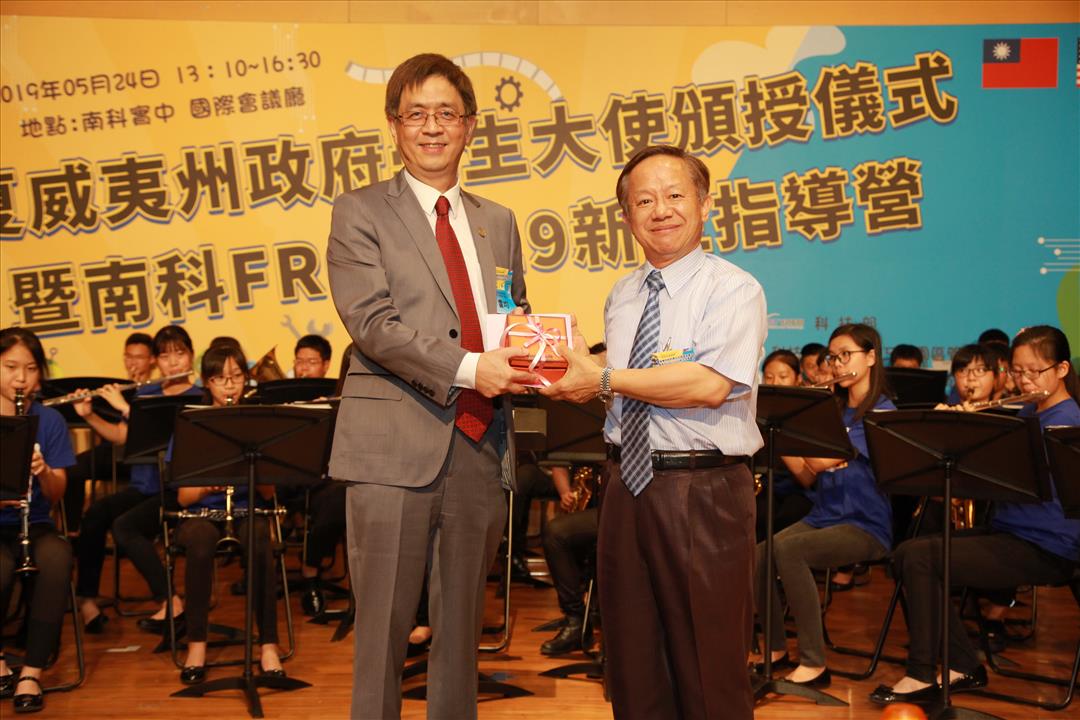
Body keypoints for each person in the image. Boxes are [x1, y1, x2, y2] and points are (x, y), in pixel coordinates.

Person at [325, 52, 534, 720]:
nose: (432, 127)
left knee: (461, 637)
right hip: (391, 450)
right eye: (416, 114)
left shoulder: (499, 220)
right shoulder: (359, 211)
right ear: (394, 125)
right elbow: (372, 325)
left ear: (470, 125)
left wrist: (540, 349)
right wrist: (472, 368)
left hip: (479, 446)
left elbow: (510, 314)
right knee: (382, 635)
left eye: (447, 113)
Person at [540, 144, 765, 720]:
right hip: (625, 483)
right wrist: (568, 370)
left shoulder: (733, 288)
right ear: (626, 216)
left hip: (704, 489)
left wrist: (602, 378)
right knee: (632, 658)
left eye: (674, 195)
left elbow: (710, 384)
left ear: (705, 204)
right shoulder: (623, 293)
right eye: (643, 201)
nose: (660, 210)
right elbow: (622, 379)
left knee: (708, 664)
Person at [871, 325, 1080, 705]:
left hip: (1048, 545)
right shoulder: (1027, 412)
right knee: (905, 554)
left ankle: (924, 672)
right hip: (1009, 532)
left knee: (921, 558)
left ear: (1062, 369)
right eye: (1017, 371)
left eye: (1035, 371)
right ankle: (961, 663)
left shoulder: (1068, 421)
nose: (1024, 380)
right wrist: (952, 436)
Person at [753, 323, 895, 687]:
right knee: (759, 555)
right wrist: (778, 430)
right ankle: (776, 649)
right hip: (824, 517)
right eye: (833, 357)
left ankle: (814, 663)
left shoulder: (881, 412)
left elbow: (819, 461)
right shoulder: (836, 412)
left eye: (846, 355)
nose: (837, 364)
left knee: (790, 550)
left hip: (864, 525)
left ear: (871, 357)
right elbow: (806, 476)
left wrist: (800, 421)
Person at [72, 325, 199, 634]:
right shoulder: (147, 393)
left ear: (191, 356)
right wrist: (89, 415)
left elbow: (168, 438)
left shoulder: (199, 396)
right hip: (144, 486)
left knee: (125, 527)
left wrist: (125, 407)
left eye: (179, 354)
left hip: (176, 489)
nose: (173, 363)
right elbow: (123, 436)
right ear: (157, 361)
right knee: (95, 514)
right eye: (165, 356)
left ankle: (171, 602)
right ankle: (87, 599)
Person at [173, 343, 286, 684]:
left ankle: (268, 645)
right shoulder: (191, 423)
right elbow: (183, 498)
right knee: (199, 543)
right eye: (220, 378)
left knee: (259, 540)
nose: (230, 385)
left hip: (247, 508)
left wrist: (257, 465)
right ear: (206, 382)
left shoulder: (255, 423)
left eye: (236, 377)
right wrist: (208, 486)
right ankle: (197, 644)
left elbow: (269, 493)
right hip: (202, 513)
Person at [0, 327, 77, 714]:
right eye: (10, 367)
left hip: (35, 522)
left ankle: (31, 671)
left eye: (30, 369)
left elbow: (57, 492)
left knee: (58, 557)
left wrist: (44, 470)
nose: (21, 378)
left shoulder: (49, 420)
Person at [756, 349, 814, 543]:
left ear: (798, 379)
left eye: (783, 377)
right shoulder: (756, 413)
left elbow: (808, 478)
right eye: (769, 377)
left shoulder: (810, 414)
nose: (775, 383)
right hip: (764, 487)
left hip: (798, 491)